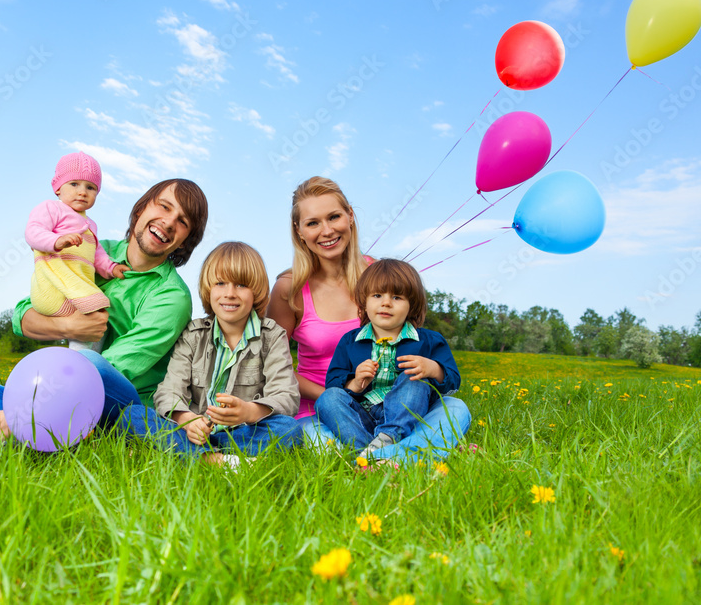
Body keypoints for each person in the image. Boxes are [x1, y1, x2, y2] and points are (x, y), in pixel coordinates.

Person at [0, 178, 209, 442]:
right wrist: (68, 327)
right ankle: (54, 433)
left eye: (183, 222)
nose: (169, 222)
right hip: (61, 386)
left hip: (117, 404)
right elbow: (24, 315)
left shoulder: (172, 296)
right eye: (164, 206)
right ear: (141, 209)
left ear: (186, 240)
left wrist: (20, 411)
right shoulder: (90, 249)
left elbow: (113, 367)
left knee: (92, 362)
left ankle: (25, 424)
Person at [266, 176, 470, 462]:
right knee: (320, 441)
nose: (326, 231)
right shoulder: (290, 288)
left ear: (350, 216)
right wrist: (346, 393)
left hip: (395, 405)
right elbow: (274, 366)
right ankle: (418, 451)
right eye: (313, 223)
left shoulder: (381, 275)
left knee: (456, 409)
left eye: (334, 217)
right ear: (298, 231)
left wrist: (423, 375)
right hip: (323, 410)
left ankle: (377, 456)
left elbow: (412, 340)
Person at [120, 242, 302, 465]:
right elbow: (169, 391)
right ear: (208, 289)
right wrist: (186, 419)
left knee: (290, 430)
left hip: (243, 434)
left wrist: (248, 411)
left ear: (256, 291)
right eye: (220, 283)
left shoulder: (272, 335)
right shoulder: (193, 334)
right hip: (193, 434)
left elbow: (286, 395)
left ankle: (184, 455)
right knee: (133, 415)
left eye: (241, 285)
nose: (230, 294)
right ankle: (217, 461)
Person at [315, 259, 461, 461]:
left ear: (412, 306)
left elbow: (453, 381)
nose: (386, 303)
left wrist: (433, 369)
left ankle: (384, 443)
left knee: (437, 395)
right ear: (364, 302)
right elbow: (332, 383)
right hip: (362, 417)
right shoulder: (350, 341)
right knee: (327, 399)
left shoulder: (429, 340)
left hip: (411, 419)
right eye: (377, 295)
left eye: (397, 297)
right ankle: (372, 453)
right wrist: (354, 383)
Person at [25, 151, 130, 349]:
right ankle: (81, 360)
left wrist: (112, 268)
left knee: (97, 322)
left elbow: (97, 253)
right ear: (58, 188)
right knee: (89, 319)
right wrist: (57, 241)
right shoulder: (51, 208)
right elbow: (33, 232)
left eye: (90, 187)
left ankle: (89, 359)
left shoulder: (90, 225)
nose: (82, 192)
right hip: (54, 288)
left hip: (74, 289)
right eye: (74, 184)